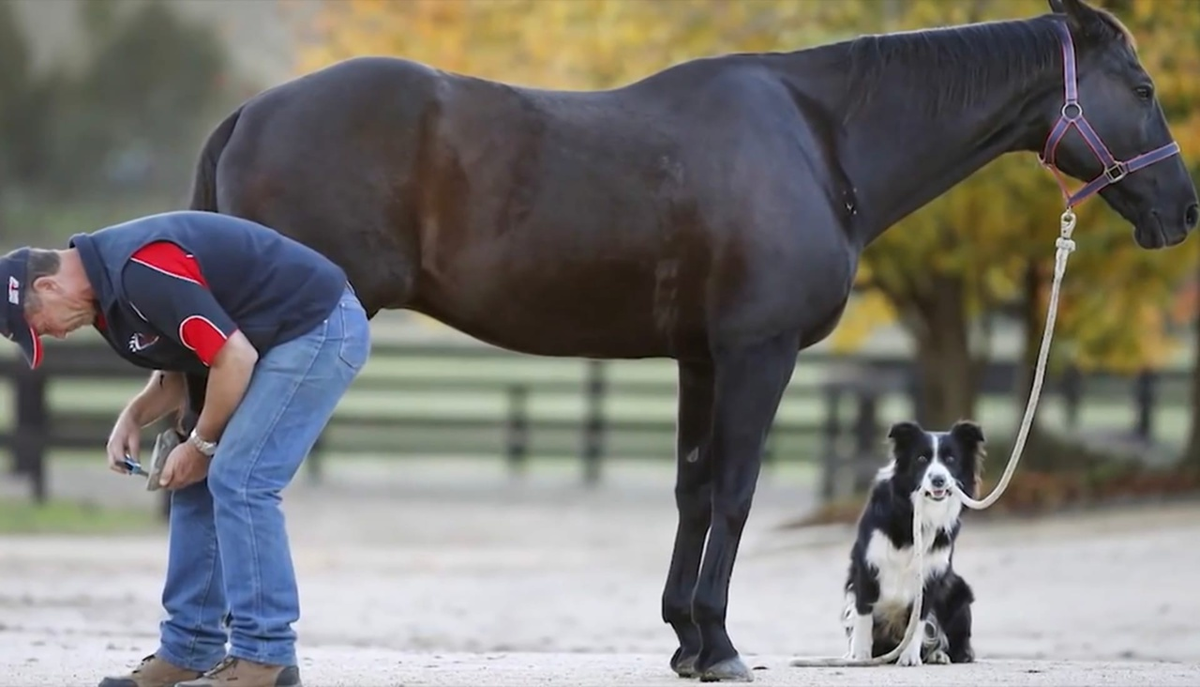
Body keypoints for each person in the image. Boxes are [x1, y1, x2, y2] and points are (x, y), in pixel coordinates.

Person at [0, 210, 371, 687]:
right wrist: (133, 416)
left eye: (37, 324)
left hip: (315, 327)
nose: (50, 334)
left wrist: (201, 443)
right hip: (263, 343)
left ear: (48, 287)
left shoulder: (139, 269)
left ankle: (266, 658)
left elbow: (232, 356)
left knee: (240, 476)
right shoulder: (105, 299)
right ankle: (188, 651)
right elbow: (184, 357)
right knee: (196, 484)